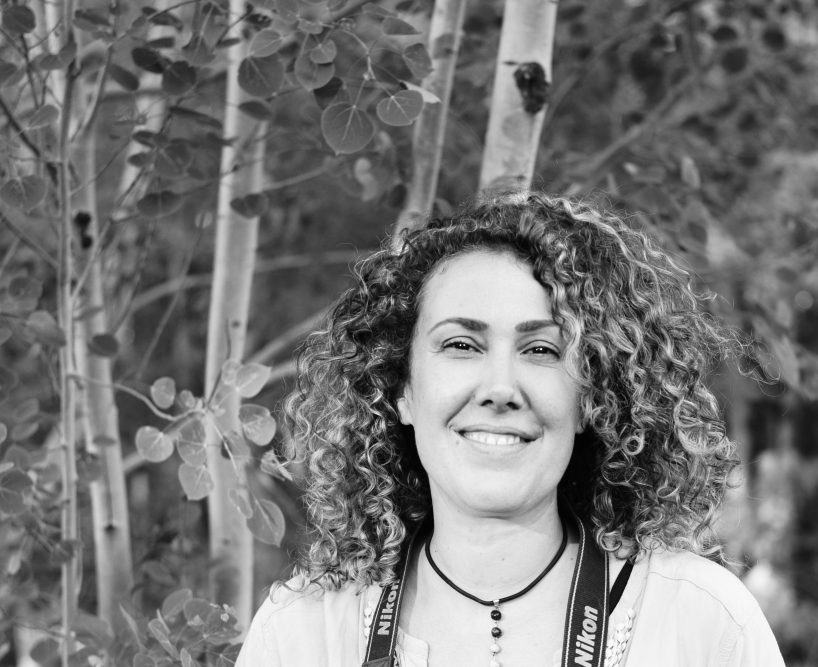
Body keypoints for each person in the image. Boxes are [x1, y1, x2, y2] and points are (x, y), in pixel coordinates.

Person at [236, 193, 785, 666]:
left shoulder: (699, 621)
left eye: (541, 349)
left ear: (591, 399)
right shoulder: (303, 633)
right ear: (400, 389)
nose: (500, 387)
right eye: (461, 345)